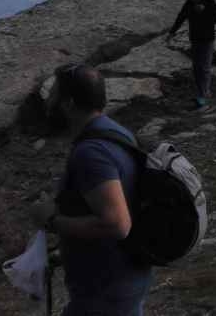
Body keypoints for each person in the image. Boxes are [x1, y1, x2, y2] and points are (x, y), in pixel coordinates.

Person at [30, 65, 152, 315]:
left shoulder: (91, 153)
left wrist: (52, 220)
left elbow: (117, 224)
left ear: (70, 104)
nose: (49, 101)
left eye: (54, 94)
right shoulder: (116, 133)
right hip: (123, 280)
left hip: (105, 293)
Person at [168, 0, 216, 108]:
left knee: (205, 67)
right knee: (197, 68)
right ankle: (201, 92)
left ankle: (203, 95)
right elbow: (180, 17)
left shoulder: (209, 2)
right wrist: (172, 32)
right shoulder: (189, 3)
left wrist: (204, 11)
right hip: (195, 40)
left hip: (207, 40)